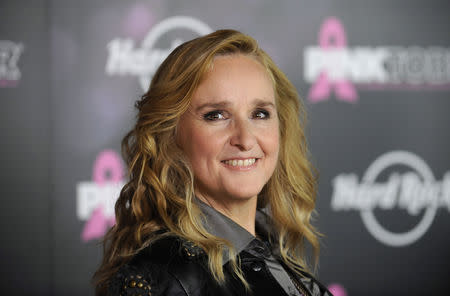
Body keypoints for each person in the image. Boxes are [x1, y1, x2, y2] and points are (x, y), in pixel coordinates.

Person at [93, 29, 332, 296]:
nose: (245, 139)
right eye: (216, 115)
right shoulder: (161, 278)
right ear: (170, 136)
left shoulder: (270, 250)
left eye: (260, 113)